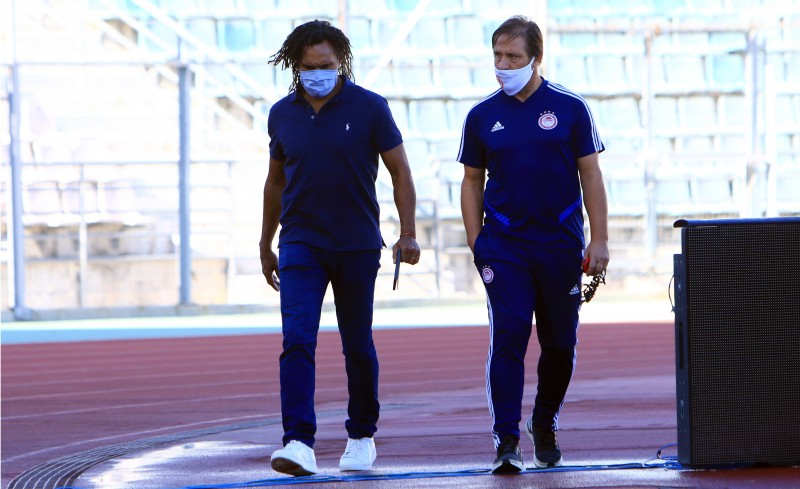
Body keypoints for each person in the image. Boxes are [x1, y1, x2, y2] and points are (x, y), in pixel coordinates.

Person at [260, 19, 420, 477]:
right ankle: (298, 442)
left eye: (326, 65)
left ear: (341, 62)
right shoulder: (282, 114)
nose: (318, 74)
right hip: (300, 244)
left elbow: (400, 172)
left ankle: (362, 435)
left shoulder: (369, 107)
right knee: (297, 340)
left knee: (357, 344)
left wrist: (407, 232)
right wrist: (265, 242)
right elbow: (275, 182)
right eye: (309, 67)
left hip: (356, 245)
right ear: (296, 66)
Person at [457, 16, 609, 473]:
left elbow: (591, 175)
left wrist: (600, 239)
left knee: (560, 344)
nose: (503, 65)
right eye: (497, 56)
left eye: (513, 57)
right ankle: (506, 440)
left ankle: (544, 421)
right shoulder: (481, 116)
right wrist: (476, 241)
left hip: (560, 245)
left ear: (536, 59)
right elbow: (471, 181)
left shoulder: (571, 108)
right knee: (509, 334)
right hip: (504, 247)